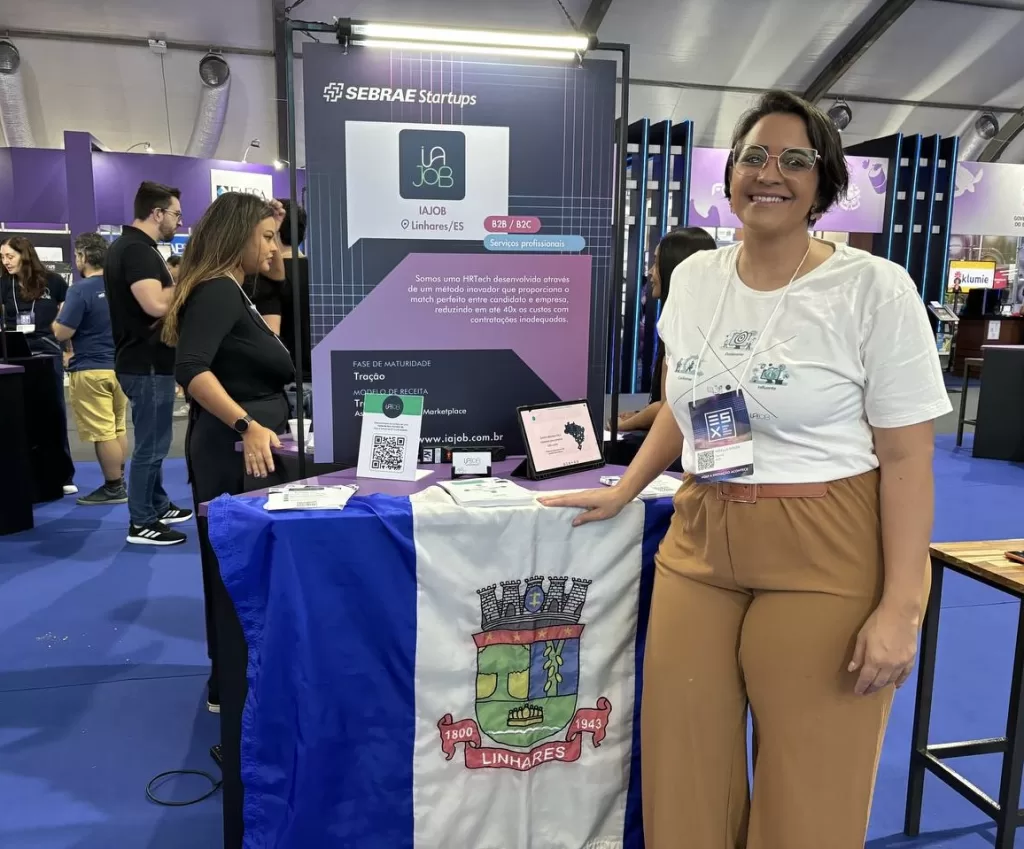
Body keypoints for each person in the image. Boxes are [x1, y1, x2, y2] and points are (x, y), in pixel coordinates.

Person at [541, 89, 952, 849]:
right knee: (683, 764)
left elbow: (908, 458)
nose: (771, 172)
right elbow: (686, 403)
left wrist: (903, 607)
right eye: (754, 156)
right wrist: (627, 487)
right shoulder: (697, 277)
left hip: (825, 544)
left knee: (810, 782)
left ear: (823, 183)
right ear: (729, 173)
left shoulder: (872, 288)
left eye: (796, 160)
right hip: (702, 533)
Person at [163, 192, 290, 713]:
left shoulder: (236, 289)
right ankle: (234, 689)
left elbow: (278, 274)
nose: (275, 248)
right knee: (235, 568)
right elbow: (191, 368)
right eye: (266, 238)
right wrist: (248, 424)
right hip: (232, 448)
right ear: (237, 237)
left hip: (245, 447)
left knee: (245, 566)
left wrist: (271, 227)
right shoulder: (218, 290)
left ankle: (240, 681)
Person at [104, 182, 193, 545]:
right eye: (175, 214)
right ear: (157, 213)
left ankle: (155, 503)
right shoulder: (137, 251)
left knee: (153, 443)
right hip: (146, 363)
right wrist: (187, 281)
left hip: (146, 361)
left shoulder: (135, 248)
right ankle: (141, 522)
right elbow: (155, 305)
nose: (179, 221)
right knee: (152, 447)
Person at [52, 233, 129, 506]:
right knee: (118, 427)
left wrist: (56, 321)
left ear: (83, 256)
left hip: (91, 369)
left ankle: (114, 487)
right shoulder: (122, 286)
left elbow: (62, 332)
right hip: (120, 367)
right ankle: (119, 480)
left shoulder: (80, 290)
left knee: (103, 433)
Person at [616, 227, 717, 434]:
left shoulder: (699, 333)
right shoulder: (679, 325)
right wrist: (641, 416)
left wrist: (624, 426)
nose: (650, 272)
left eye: (657, 262)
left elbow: (670, 409)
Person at [1, 235, 76, 494]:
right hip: (14, 355)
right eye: (2, 257)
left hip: (47, 352)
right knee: (19, 415)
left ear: (24, 255)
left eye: (10, 256)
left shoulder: (53, 282)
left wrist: (69, 350)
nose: (5, 261)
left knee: (54, 412)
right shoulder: (4, 284)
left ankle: (63, 474)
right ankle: (25, 473)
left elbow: (67, 318)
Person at [246, 200, 312, 418]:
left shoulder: (262, 278)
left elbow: (269, 334)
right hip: (323, 379)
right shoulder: (325, 274)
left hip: (282, 383)